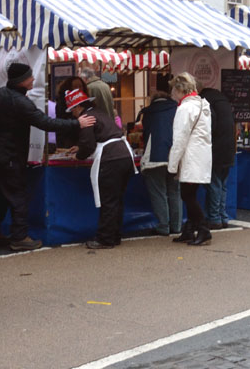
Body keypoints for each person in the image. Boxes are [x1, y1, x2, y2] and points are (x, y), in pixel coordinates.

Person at [0, 62, 94, 251]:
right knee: (18, 196)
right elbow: (45, 122)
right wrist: (77, 124)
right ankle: (19, 237)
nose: (33, 79)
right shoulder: (19, 101)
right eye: (30, 77)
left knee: (1, 196)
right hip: (11, 156)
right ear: (21, 81)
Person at [67, 88, 136, 249]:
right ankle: (115, 234)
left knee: (108, 200)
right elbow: (103, 135)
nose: (72, 114)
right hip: (124, 156)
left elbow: (88, 144)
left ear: (77, 108)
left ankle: (105, 238)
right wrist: (80, 147)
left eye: (72, 110)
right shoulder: (99, 113)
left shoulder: (86, 118)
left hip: (110, 159)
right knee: (117, 199)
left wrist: (79, 155)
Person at [168, 73, 213, 245]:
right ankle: (189, 229)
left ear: (180, 89)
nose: (172, 92)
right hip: (200, 155)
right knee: (190, 193)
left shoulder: (184, 109)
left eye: (173, 88)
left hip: (190, 157)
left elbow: (179, 139)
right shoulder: (202, 104)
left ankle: (203, 229)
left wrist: (172, 165)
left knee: (187, 195)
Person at [136, 75, 180, 236]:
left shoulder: (149, 112)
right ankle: (176, 226)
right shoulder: (176, 109)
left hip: (155, 157)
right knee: (174, 191)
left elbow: (146, 134)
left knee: (158, 192)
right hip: (173, 155)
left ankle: (163, 226)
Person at [200, 84, 236, 227]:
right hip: (229, 149)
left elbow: (209, 126)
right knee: (223, 185)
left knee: (214, 184)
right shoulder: (224, 101)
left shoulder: (207, 103)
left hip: (215, 149)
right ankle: (223, 216)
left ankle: (214, 218)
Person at [53, 76, 87, 149]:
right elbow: (60, 124)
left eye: (80, 86)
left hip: (84, 139)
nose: (78, 89)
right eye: (75, 87)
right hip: (67, 140)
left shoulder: (87, 101)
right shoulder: (62, 104)